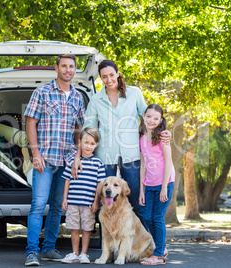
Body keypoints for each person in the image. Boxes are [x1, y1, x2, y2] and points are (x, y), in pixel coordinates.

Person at [71, 60, 170, 227]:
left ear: (117, 73)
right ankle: (108, 252)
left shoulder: (134, 93)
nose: (108, 79)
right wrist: (78, 157)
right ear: (100, 79)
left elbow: (150, 118)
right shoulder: (96, 100)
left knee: (138, 203)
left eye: (111, 75)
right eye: (104, 77)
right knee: (106, 205)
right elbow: (89, 131)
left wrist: (164, 132)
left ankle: (146, 245)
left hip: (131, 155)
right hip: (105, 157)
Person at [24, 54, 85, 266]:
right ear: (56, 68)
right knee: (38, 205)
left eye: (71, 66)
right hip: (45, 158)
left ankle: (49, 248)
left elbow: (79, 130)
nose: (68, 69)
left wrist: (77, 156)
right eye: (64, 66)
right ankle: (32, 252)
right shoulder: (42, 92)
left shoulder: (78, 97)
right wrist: (35, 154)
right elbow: (30, 123)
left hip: (66, 159)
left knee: (58, 207)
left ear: (75, 70)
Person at [60, 127, 106, 264]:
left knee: (87, 228)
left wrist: (96, 202)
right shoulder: (73, 162)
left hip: (88, 203)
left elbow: (99, 185)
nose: (88, 146)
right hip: (73, 201)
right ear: (80, 142)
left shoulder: (98, 163)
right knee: (74, 228)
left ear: (96, 145)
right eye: (86, 142)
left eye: (92, 144)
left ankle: (84, 254)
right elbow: (67, 181)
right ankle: (74, 253)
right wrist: (64, 199)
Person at [138, 104, 175, 265]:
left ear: (160, 121)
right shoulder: (142, 139)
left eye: (156, 118)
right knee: (147, 217)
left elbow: (168, 162)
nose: (151, 120)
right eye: (149, 116)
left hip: (164, 183)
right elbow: (143, 165)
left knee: (157, 217)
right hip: (149, 184)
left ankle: (158, 254)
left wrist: (164, 187)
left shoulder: (163, 138)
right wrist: (141, 189)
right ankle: (161, 247)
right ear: (144, 116)